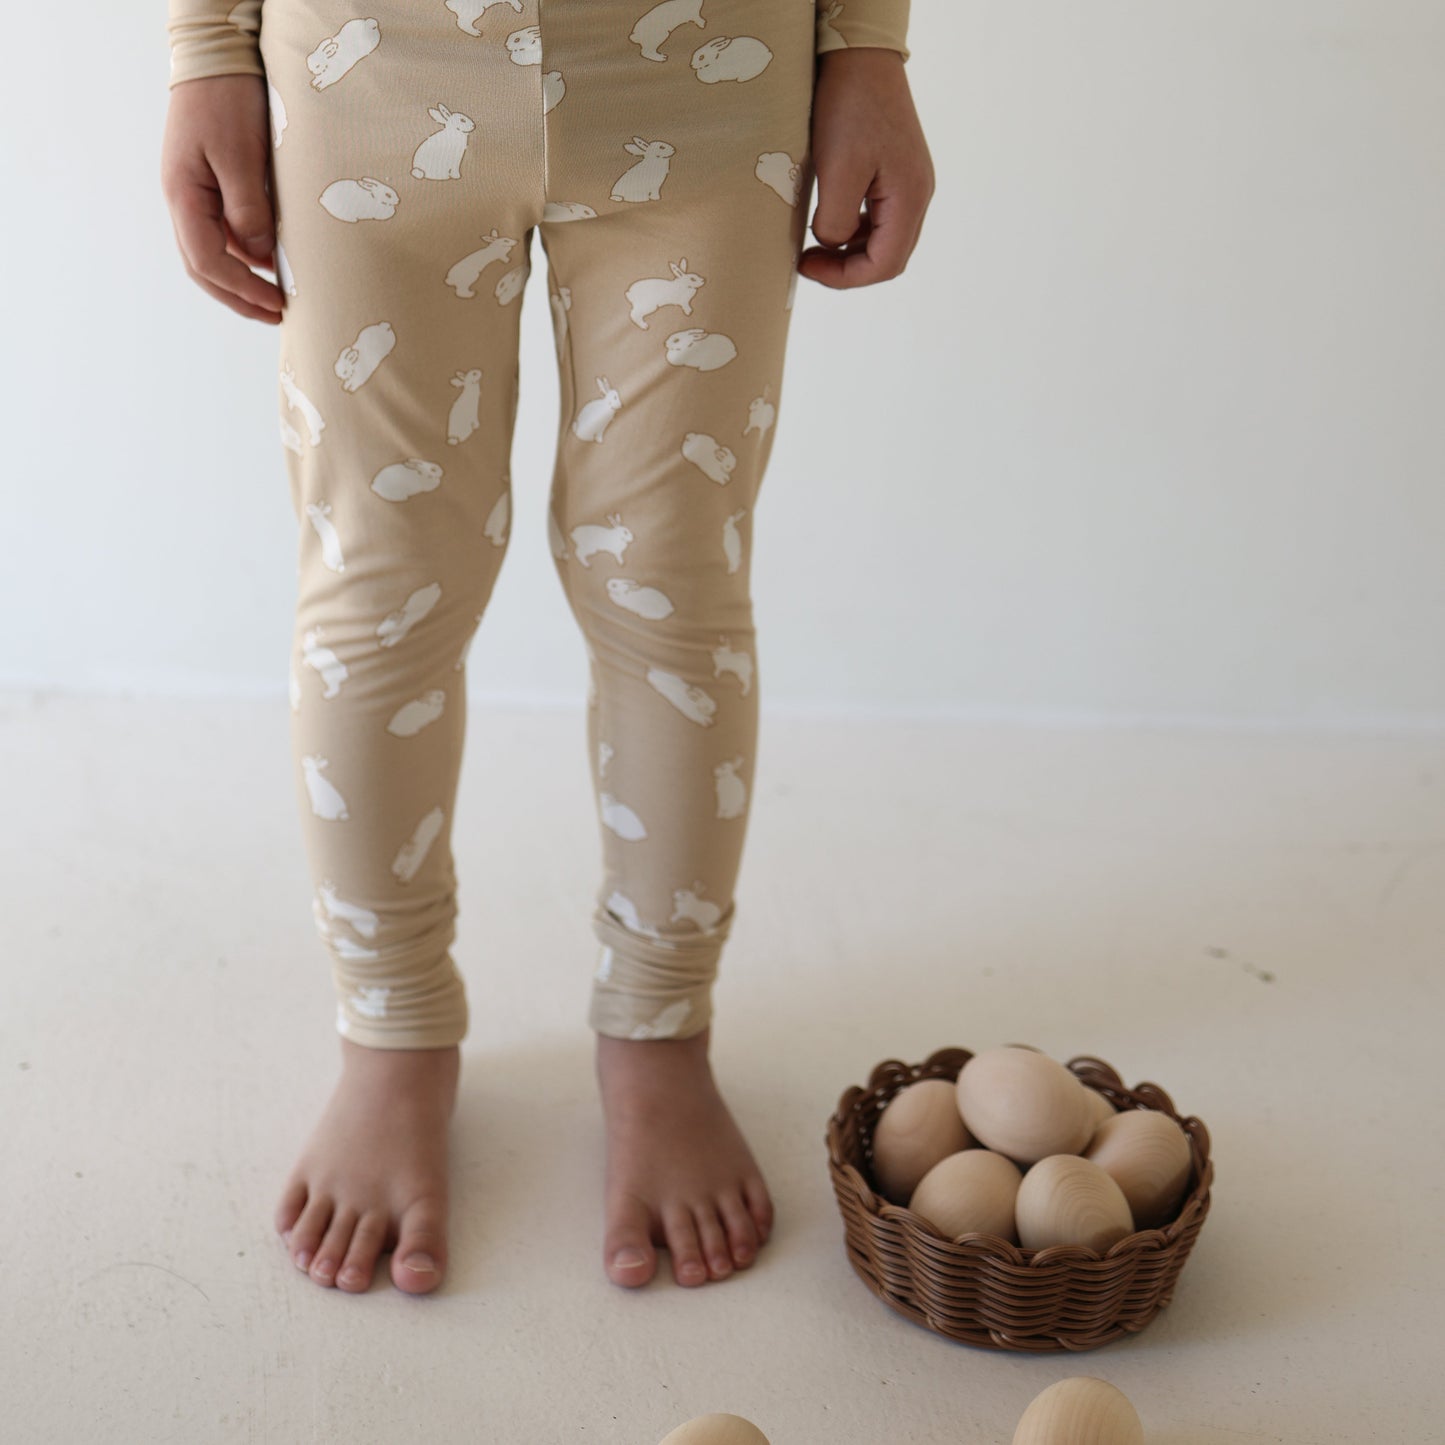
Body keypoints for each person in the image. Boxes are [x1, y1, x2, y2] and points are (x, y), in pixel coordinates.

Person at [159, 0, 933, 1298]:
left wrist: (868, 40)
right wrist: (204, 49)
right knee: (380, 592)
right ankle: (393, 1033)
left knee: (671, 590)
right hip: (368, 73)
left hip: (708, 74)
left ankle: (657, 1028)